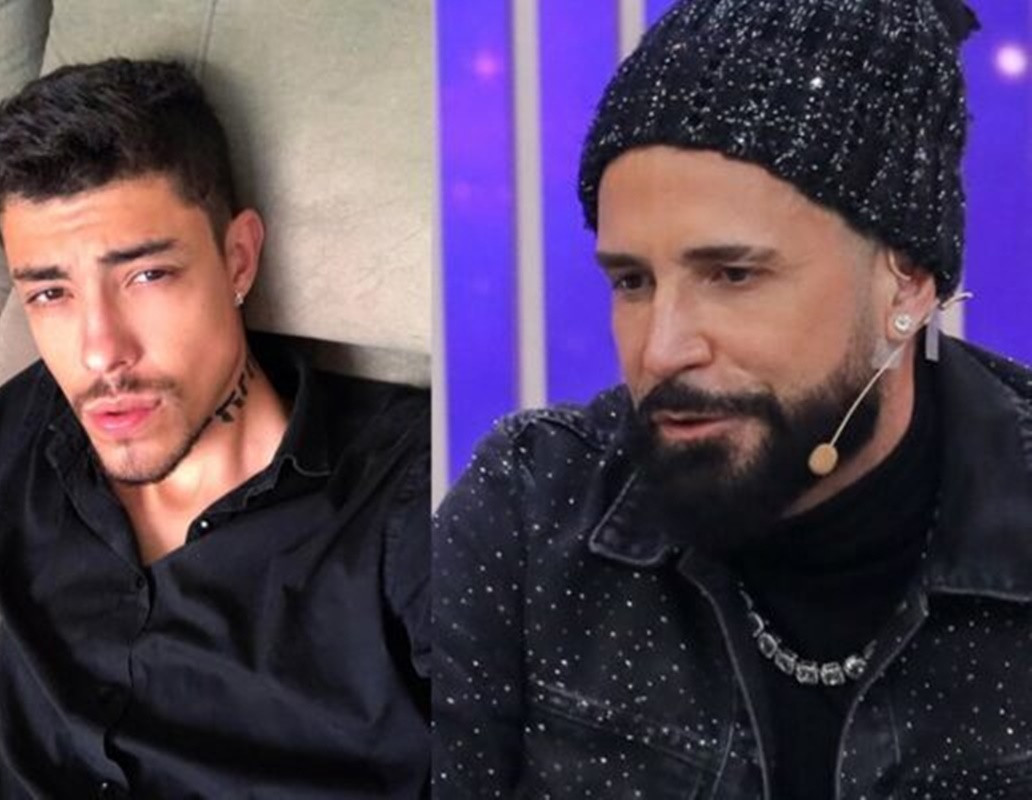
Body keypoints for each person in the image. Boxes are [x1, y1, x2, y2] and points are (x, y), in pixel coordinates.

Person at [433, 1, 1032, 798]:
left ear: (909, 282)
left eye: (733, 274)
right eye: (633, 282)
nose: (661, 351)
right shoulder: (531, 509)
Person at [0, 59, 430, 798]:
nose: (99, 353)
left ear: (238, 259)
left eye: (146, 276)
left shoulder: (423, 498)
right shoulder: (38, 422)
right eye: (50, 292)